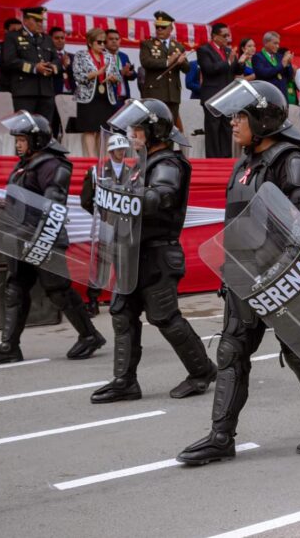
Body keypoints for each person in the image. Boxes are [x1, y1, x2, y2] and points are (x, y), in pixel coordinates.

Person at [177, 79, 300, 464]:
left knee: (298, 350)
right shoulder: (244, 163)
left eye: (241, 116)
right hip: (242, 275)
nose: (233, 123)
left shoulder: (291, 159)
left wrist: (294, 252)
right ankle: (221, 437)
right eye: (233, 116)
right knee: (231, 351)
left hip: (280, 277)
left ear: (263, 119)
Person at [91, 99, 217, 403]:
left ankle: (202, 371)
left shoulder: (169, 164)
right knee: (122, 314)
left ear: (154, 131)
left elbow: (160, 196)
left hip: (157, 254)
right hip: (132, 253)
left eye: (137, 128)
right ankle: (124, 382)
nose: (132, 134)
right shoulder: (141, 165)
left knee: (164, 317)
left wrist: (123, 194)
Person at [0, 111, 106, 366]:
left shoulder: (53, 165)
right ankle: (9, 346)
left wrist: (39, 241)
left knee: (58, 291)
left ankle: (90, 335)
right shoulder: (26, 163)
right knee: (15, 288)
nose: (18, 144)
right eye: (17, 140)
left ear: (36, 140)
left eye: (22, 140)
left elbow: (53, 205)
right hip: (21, 238)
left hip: (45, 239)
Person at [79, 133, 133, 317]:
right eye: (118, 149)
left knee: (123, 262)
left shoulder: (131, 172)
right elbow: (86, 200)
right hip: (106, 224)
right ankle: (93, 300)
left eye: (123, 148)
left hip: (124, 226)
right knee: (102, 264)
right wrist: (102, 216)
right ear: (110, 151)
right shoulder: (97, 172)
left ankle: (124, 299)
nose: (121, 152)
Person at [0, 6, 59, 124]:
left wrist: (52, 67)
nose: (40, 24)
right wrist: (34, 68)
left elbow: (56, 59)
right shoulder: (13, 37)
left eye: (41, 21)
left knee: (45, 128)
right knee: (24, 127)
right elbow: (10, 61)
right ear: (25, 20)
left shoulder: (47, 39)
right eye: (36, 21)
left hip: (46, 91)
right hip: (24, 92)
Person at [72, 28, 121, 159]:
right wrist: (96, 73)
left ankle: (103, 158)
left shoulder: (109, 56)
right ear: (90, 42)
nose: (102, 45)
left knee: (103, 129)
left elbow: (118, 76)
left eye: (104, 42)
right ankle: (91, 158)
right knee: (90, 128)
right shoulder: (81, 55)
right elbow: (77, 76)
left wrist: (113, 78)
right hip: (88, 97)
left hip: (105, 97)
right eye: (99, 42)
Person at [138, 11, 189, 131]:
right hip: (155, 92)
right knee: (155, 126)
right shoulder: (147, 44)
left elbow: (187, 69)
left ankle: (168, 144)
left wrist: (181, 62)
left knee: (170, 127)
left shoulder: (178, 46)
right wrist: (167, 62)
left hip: (173, 94)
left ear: (171, 28)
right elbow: (146, 62)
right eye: (157, 27)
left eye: (163, 27)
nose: (159, 29)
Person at [197, 22, 241, 158]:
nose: (227, 38)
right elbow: (209, 69)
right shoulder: (204, 50)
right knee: (213, 129)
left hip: (227, 96)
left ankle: (226, 160)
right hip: (212, 96)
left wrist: (241, 61)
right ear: (215, 36)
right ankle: (213, 161)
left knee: (227, 128)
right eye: (224, 35)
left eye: (228, 35)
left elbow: (236, 70)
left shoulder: (228, 51)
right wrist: (228, 62)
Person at [250, 32, 287, 100]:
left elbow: (289, 75)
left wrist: (288, 64)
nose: (278, 46)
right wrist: (282, 65)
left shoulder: (279, 57)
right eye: (275, 43)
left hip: (282, 95)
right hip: (268, 96)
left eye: (278, 44)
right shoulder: (258, 57)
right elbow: (264, 73)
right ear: (266, 43)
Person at [104, 29, 135, 105]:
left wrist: (130, 73)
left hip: (124, 100)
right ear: (104, 41)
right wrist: (121, 72)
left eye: (117, 39)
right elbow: (104, 76)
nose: (114, 41)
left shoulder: (123, 56)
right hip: (109, 100)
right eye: (111, 39)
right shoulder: (102, 56)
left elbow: (133, 76)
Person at [0, 17, 23, 94]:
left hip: (23, 89)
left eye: (19, 31)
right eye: (14, 31)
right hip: (5, 88)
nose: (17, 33)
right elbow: (0, 65)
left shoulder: (26, 47)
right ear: (6, 31)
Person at [49, 26, 73, 94]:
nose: (60, 40)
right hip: (54, 93)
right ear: (50, 39)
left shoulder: (72, 57)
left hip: (71, 94)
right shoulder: (47, 57)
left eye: (62, 38)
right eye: (57, 38)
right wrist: (62, 66)